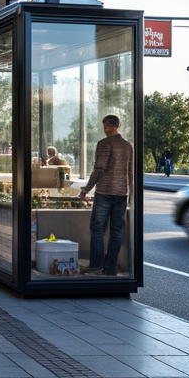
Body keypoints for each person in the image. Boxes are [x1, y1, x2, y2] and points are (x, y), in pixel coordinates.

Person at [78, 114, 133, 276]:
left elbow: (99, 169)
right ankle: (110, 268)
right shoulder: (127, 146)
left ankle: (95, 266)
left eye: (104, 126)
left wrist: (86, 190)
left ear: (108, 126)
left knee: (97, 230)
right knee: (117, 232)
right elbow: (130, 171)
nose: (104, 128)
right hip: (121, 193)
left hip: (104, 192)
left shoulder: (104, 144)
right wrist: (130, 192)